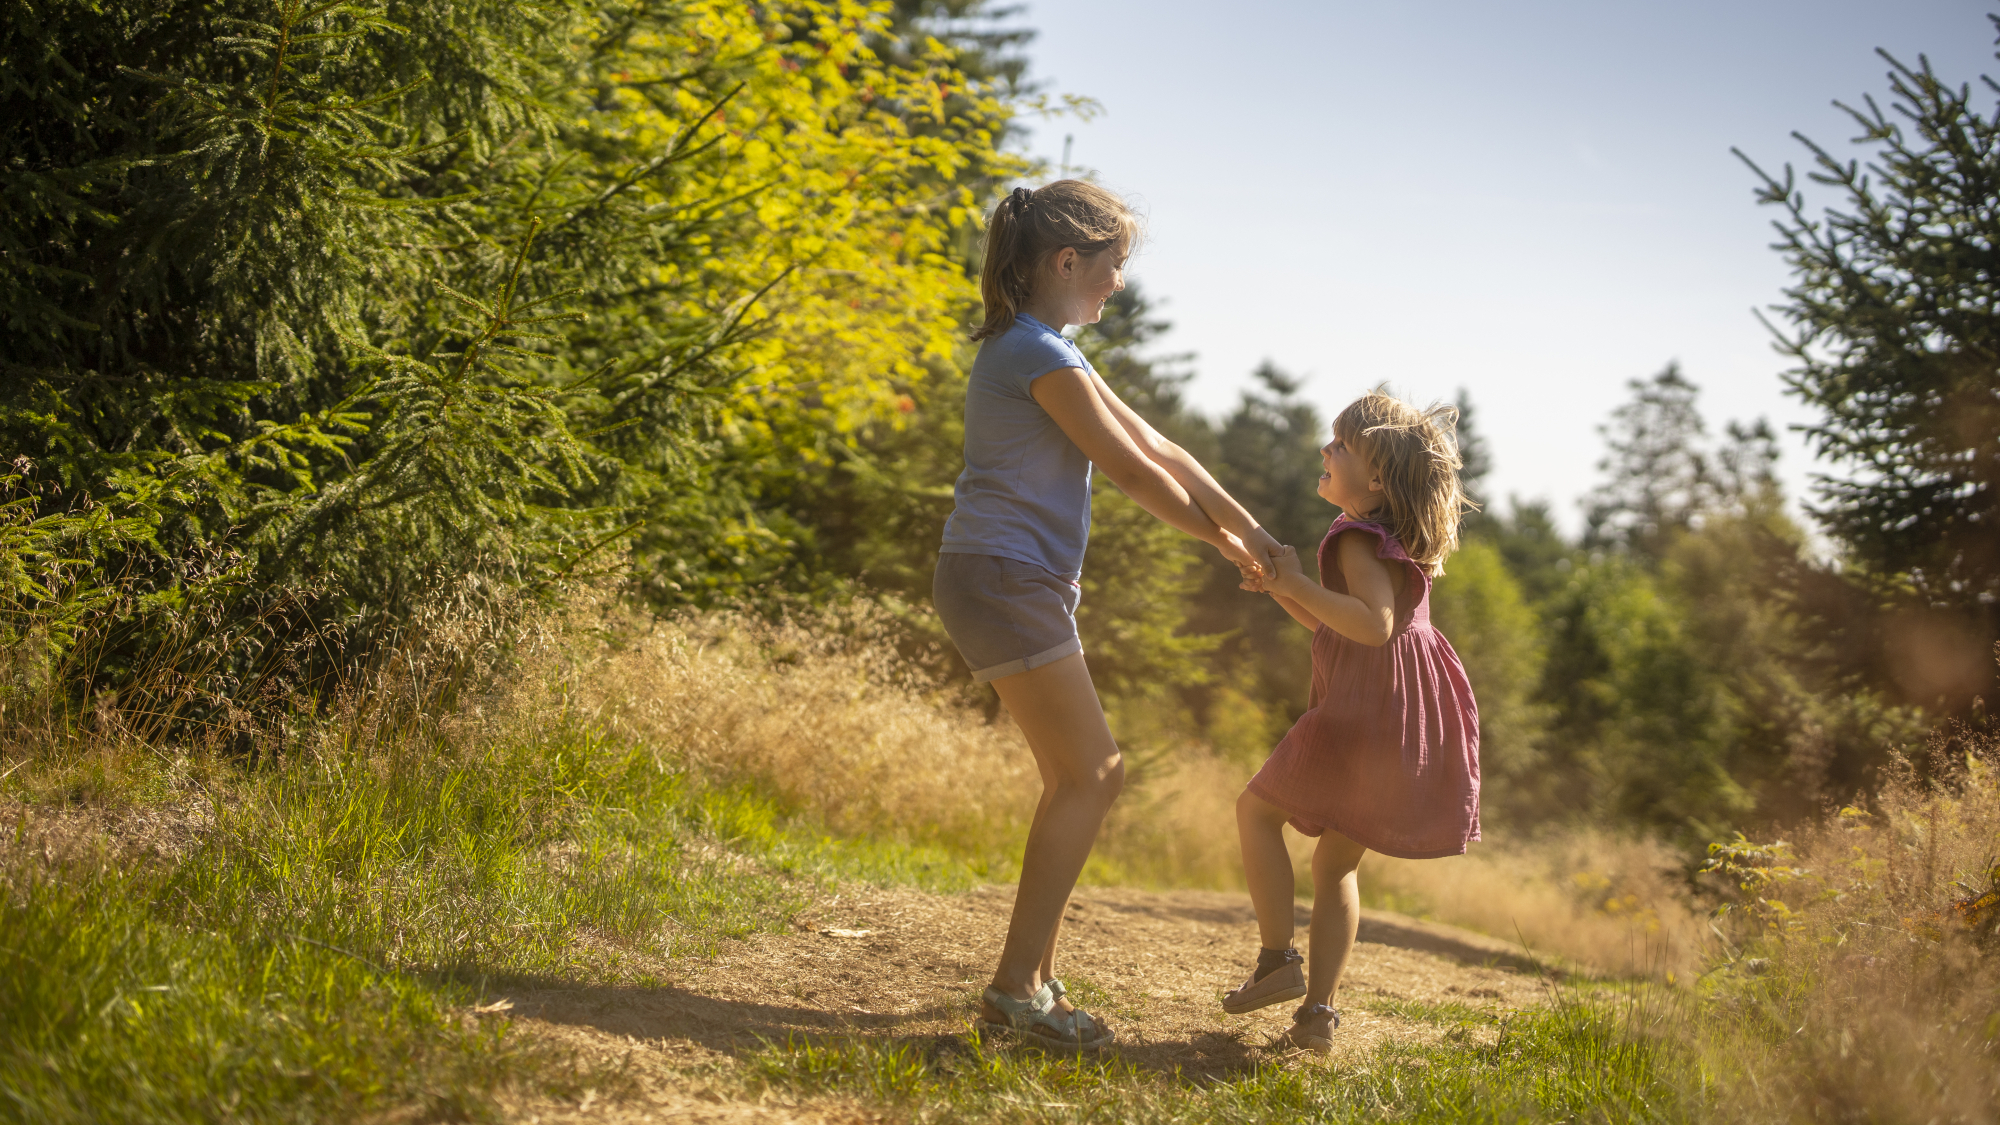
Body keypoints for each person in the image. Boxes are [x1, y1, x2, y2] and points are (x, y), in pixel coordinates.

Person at [933, 180, 1280, 1051]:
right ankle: (1017, 987)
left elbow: (1163, 447)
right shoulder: (1033, 353)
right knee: (1095, 773)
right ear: (1066, 261)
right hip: (1003, 576)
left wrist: (1251, 527)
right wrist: (1222, 546)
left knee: (1075, 776)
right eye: (1113, 264)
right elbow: (1128, 472)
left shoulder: (1047, 348)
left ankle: (1034, 981)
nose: (1119, 283)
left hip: (1010, 579)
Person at [1222, 389, 1480, 1054]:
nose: (1324, 451)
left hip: (1365, 711)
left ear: (1374, 477)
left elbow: (1371, 626)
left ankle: (1278, 958)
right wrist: (1286, 586)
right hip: (1401, 712)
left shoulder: (1356, 536)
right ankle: (1317, 1014)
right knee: (1335, 862)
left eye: (1339, 445)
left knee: (1256, 812)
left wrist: (1300, 585)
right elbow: (1333, 625)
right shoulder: (1390, 538)